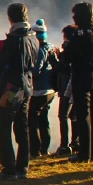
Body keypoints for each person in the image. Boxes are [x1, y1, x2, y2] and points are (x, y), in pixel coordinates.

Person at [0, 3, 40, 180]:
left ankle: (8, 169)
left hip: (11, 88)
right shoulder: (33, 37)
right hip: (27, 86)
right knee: (22, 126)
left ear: (10, 18)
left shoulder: (14, 39)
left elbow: (0, 64)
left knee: (4, 124)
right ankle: (22, 167)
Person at [67, 3, 93, 163]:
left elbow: (69, 56)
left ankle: (84, 153)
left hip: (82, 76)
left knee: (83, 115)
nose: (73, 18)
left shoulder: (79, 35)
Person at [28, 19, 59, 158]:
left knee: (32, 121)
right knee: (44, 120)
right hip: (50, 90)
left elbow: (36, 70)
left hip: (39, 90)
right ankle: (45, 149)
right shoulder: (50, 47)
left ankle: (35, 150)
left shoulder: (40, 50)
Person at [53, 25, 77, 156]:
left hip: (66, 86)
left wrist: (54, 59)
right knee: (74, 116)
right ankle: (75, 142)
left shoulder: (68, 47)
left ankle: (65, 145)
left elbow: (61, 67)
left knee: (63, 115)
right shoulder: (76, 47)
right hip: (75, 85)